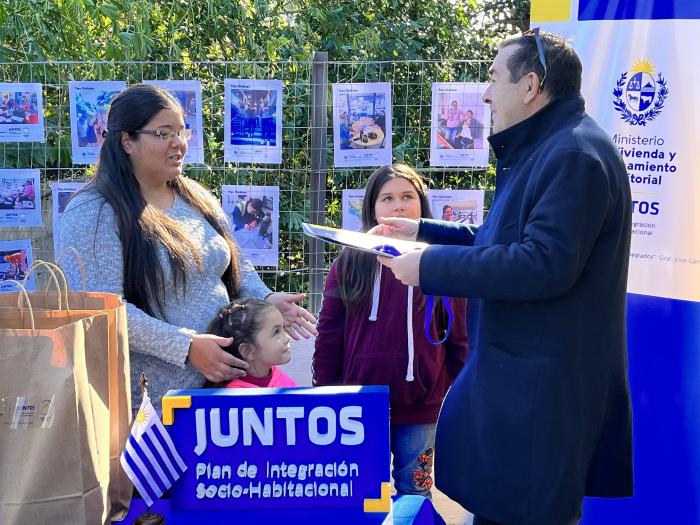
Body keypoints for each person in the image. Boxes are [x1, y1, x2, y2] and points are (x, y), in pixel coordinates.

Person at [376, 30, 633, 525]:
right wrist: (425, 231)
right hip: (522, 395)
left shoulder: (573, 154)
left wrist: (427, 268)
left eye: (494, 78)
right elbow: (504, 236)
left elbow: (542, 264)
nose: (487, 94)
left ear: (531, 86)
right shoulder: (551, 147)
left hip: (540, 404)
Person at [58, 84, 316, 414]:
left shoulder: (195, 197)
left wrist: (265, 300)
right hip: (152, 407)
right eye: (164, 133)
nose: (178, 144)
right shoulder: (93, 212)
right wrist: (186, 347)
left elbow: (233, 265)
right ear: (126, 141)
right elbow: (103, 310)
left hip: (225, 396)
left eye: (181, 132)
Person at [313, 163, 468, 498]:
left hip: (422, 408)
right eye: (387, 198)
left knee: (416, 492)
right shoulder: (351, 261)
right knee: (363, 493)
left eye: (407, 196)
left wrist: (441, 387)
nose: (398, 205)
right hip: (360, 407)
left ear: (422, 206)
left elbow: (459, 336)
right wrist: (327, 393)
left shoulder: (442, 260)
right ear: (372, 208)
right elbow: (329, 333)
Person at [206, 299, 296, 388]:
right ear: (248, 351)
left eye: (283, 328)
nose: (287, 338)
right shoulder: (234, 397)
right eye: (276, 332)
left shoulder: (286, 383)